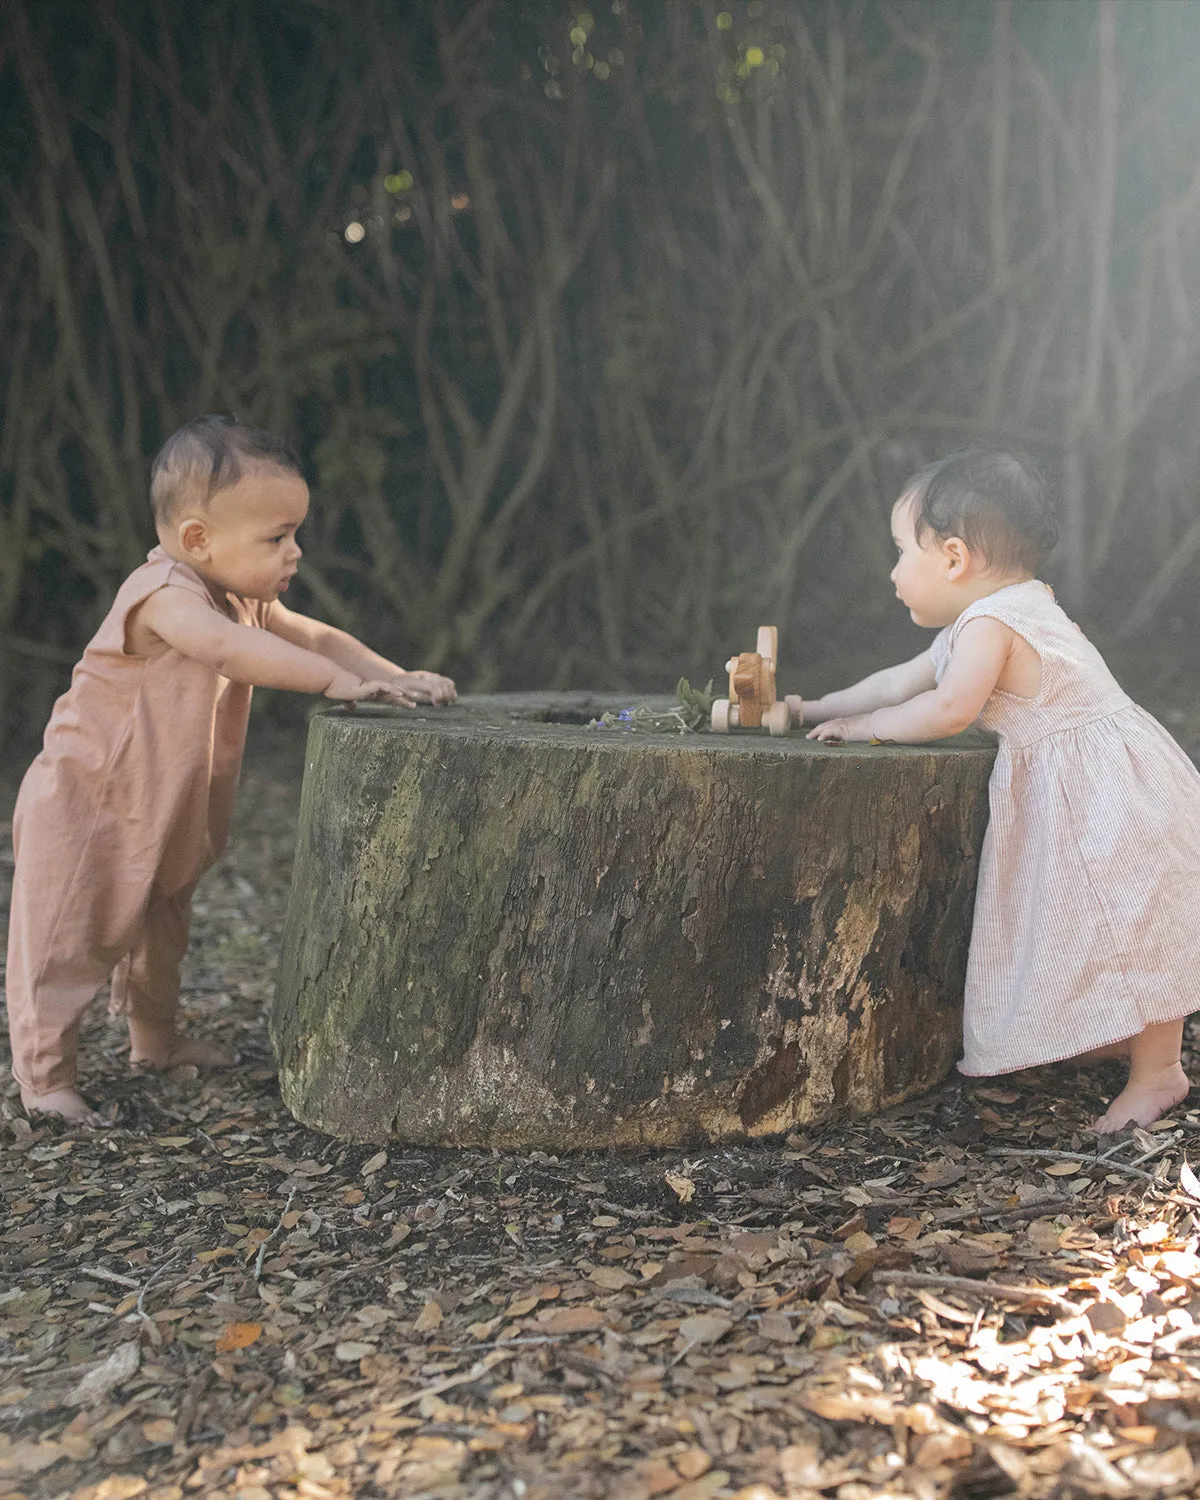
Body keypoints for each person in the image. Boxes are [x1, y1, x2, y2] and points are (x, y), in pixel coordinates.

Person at [5, 415, 455, 1126]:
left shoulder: (241, 596)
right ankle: (43, 1077)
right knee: (65, 938)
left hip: (164, 805)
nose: (295, 551)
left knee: (162, 925)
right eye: (277, 537)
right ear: (197, 539)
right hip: (87, 801)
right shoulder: (165, 598)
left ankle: (154, 1039)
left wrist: (395, 675)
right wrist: (331, 683)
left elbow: (317, 634)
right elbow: (223, 650)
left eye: (295, 533)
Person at [786, 448, 1196, 1132]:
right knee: (1094, 920)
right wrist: (821, 706)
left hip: (1109, 795)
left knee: (1134, 921)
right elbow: (897, 679)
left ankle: (1160, 1072)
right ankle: (1113, 1030)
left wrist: (873, 730)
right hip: (1097, 782)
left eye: (899, 552)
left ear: (953, 557)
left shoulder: (992, 624)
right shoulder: (997, 612)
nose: (892, 572)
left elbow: (946, 709)